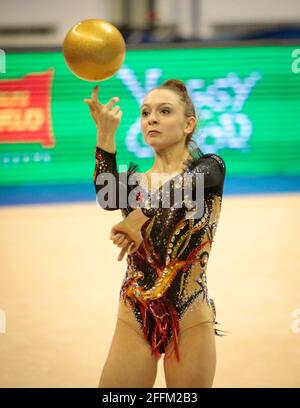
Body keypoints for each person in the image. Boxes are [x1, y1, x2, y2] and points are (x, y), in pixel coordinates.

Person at [84, 79, 226, 388]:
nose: (152, 118)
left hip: (189, 311)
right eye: (146, 112)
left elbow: (182, 185)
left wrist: (138, 218)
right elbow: (105, 195)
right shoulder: (132, 184)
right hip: (135, 311)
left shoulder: (209, 168)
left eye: (164, 111)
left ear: (189, 124)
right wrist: (105, 133)